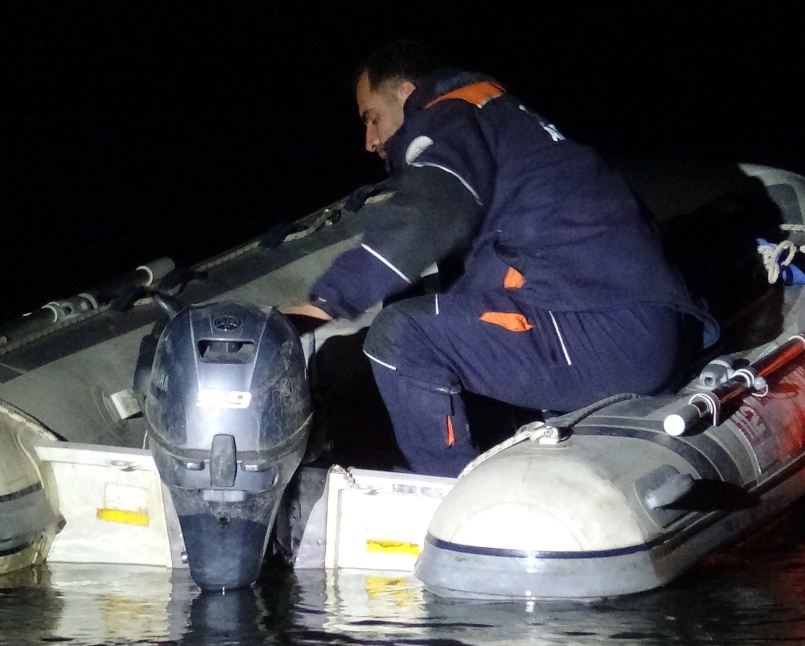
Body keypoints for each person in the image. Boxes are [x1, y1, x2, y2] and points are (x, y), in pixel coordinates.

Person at [285, 42, 715, 477]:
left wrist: (324, 303)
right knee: (437, 309)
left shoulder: (447, 117)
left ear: (406, 93)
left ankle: (446, 504)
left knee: (401, 336)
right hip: (641, 328)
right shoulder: (503, 121)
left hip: (601, 331)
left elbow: (435, 206)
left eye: (371, 118)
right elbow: (490, 272)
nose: (370, 141)